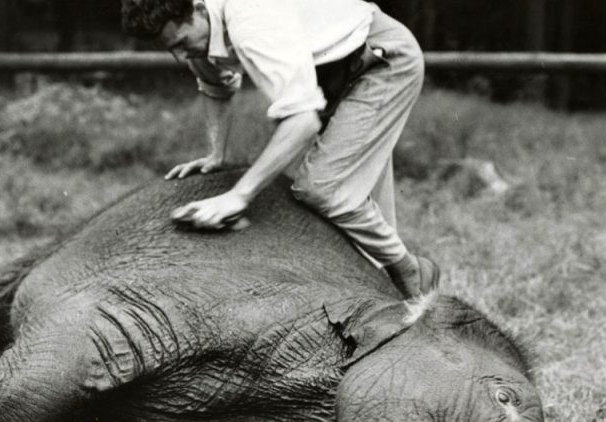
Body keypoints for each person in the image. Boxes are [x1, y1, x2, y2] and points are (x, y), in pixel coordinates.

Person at [120, 0, 440, 302]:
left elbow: (302, 120)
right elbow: (217, 87)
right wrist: (217, 154)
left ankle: (412, 273)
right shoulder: (200, 34)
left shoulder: (251, 20)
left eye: (181, 42)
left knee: (323, 189)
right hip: (327, 73)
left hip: (380, 59)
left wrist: (239, 195)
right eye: (171, 48)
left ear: (199, 9)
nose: (181, 55)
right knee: (317, 192)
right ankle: (383, 289)